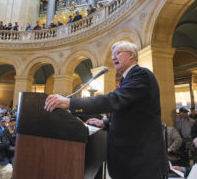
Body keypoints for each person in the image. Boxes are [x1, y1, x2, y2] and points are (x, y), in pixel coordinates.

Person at [45, 41, 168, 179]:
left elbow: (114, 100)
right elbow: (129, 111)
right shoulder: (127, 79)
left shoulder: (141, 74)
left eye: (117, 53)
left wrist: (70, 102)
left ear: (131, 55)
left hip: (141, 160)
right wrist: (106, 122)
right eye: (112, 55)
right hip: (130, 160)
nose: (113, 58)